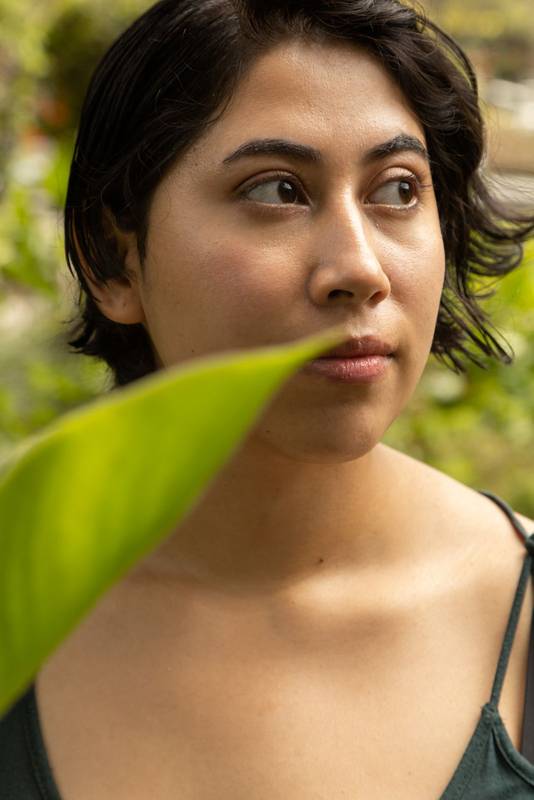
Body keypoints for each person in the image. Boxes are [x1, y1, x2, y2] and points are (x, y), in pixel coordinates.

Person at [2, 0, 534, 797]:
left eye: (397, 189)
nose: (359, 268)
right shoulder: (22, 605)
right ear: (113, 259)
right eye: (278, 189)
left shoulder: (518, 613)